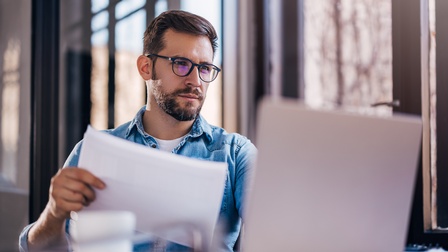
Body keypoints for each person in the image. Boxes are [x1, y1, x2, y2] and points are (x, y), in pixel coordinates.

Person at [19, 10, 256, 252]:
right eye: (181, 64)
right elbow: (40, 249)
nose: (196, 81)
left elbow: (274, 233)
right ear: (145, 67)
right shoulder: (95, 151)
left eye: (205, 68)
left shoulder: (237, 155)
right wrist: (54, 212)